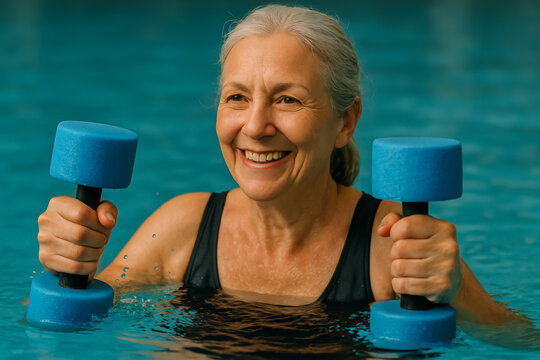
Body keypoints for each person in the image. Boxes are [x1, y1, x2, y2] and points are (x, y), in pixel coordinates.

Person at [37, 5, 523, 326]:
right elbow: (52, 322)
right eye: (236, 98)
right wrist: (68, 262)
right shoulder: (182, 229)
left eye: (287, 99)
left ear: (345, 122)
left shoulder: (391, 247)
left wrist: (454, 291)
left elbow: (520, 341)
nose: (255, 126)